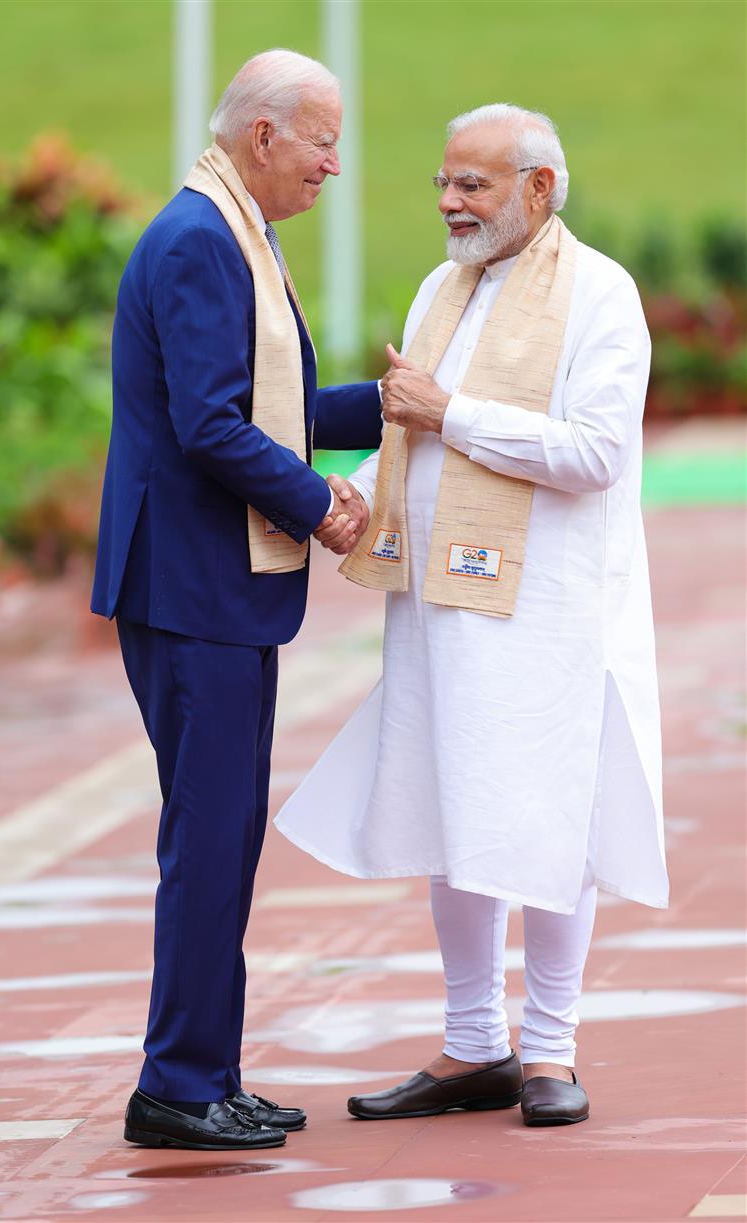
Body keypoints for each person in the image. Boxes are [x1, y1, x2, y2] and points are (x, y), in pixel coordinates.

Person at [275, 103, 669, 1128]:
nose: (448, 203)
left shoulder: (599, 294)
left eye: (473, 185)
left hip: (549, 609)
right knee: (457, 808)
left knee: (546, 813)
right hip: (441, 603)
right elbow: (417, 441)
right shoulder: (440, 288)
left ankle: (548, 1047)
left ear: (538, 187)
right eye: (443, 183)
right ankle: (471, 1043)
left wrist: (448, 412)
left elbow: (592, 455)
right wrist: (349, 492)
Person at [90, 48, 377, 1151]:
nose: (332, 164)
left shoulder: (229, 233)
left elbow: (281, 403)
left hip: (202, 582)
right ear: (264, 136)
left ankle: (206, 1070)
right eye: (320, 140)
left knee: (221, 833)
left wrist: (396, 405)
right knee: (209, 836)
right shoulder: (202, 242)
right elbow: (214, 424)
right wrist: (318, 504)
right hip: (191, 584)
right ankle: (176, 1083)